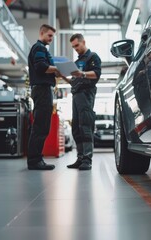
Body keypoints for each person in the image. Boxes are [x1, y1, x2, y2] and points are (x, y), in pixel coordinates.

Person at [62, 33, 101, 170]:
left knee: (85, 126)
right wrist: (63, 75)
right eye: (73, 47)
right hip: (76, 94)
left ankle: (87, 159)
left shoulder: (93, 57)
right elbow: (74, 82)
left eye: (77, 45)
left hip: (86, 94)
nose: (75, 49)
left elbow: (96, 74)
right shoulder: (77, 61)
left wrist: (82, 73)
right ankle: (80, 158)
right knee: (76, 128)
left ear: (83, 42)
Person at [27, 24, 60, 170]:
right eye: (50, 36)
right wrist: (58, 68)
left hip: (41, 89)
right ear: (42, 33)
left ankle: (35, 159)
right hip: (42, 90)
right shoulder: (39, 48)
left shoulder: (40, 48)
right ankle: (34, 161)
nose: (51, 39)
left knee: (41, 126)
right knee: (41, 126)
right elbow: (41, 67)